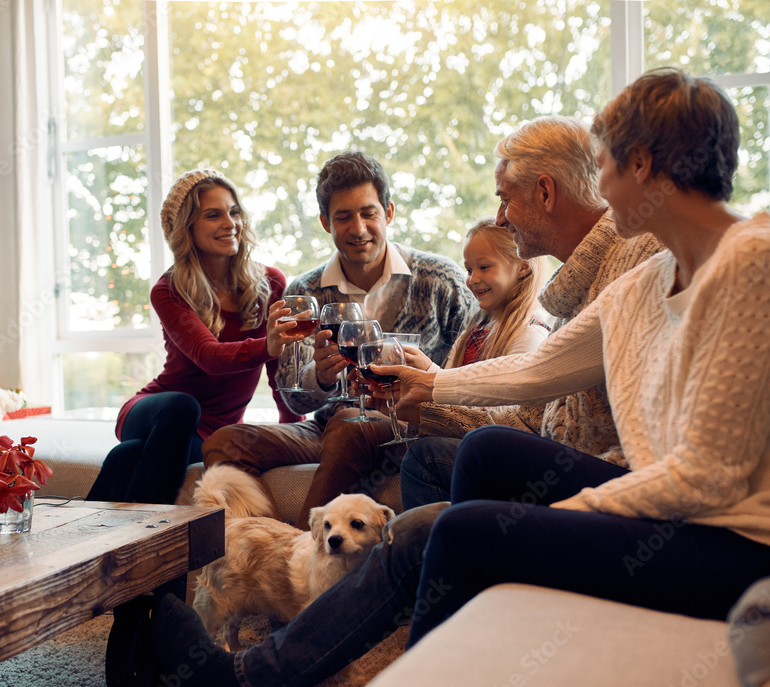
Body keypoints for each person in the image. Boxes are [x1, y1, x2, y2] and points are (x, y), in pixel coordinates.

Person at [151, 68, 770, 687]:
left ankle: (252, 679)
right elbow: (540, 368)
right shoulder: (643, 281)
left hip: (732, 545)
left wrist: (560, 516)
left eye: (604, 165)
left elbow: (707, 477)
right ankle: (468, 654)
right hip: (674, 510)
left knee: (454, 529)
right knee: (485, 451)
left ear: (640, 164)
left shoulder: (751, 261)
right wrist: (432, 384)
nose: (600, 188)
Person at [400, 114, 664, 510]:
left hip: (619, 481)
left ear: (545, 192)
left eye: (505, 199)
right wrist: (428, 409)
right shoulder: (575, 290)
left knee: (475, 460)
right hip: (568, 468)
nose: (502, 218)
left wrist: (433, 384)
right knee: (429, 458)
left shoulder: (640, 257)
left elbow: (541, 370)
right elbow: (530, 420)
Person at [202, 151, 476, 526]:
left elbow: (473, 369)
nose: (358, 228)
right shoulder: (306, 291)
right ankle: (268, 536)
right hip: (328, 426)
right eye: (343, 217)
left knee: (352, 421)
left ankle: (300, 550)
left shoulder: (439, 279)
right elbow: (293, 396)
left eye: (368, 213)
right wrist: (322, 377)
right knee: (223, 442)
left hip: (408, 426)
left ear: (389, 213)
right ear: (325, 223)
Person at [300, 217, 550, 517]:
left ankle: (313, 540)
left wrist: (431, 374)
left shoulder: (530, 334)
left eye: (484, 267)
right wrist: (402, 390)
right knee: (351, 420)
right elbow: (448, 391)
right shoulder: (477, 326)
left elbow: (505, 418)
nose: (471, 279)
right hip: (450, 433)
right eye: (469, 269)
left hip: (477, 441)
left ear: (523, 265)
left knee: (371, 432)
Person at [86, 168, 304, 507]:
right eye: (213, 215)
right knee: (182, 406)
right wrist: (267, 344)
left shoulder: (270, 283)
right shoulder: (169, 290)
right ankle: (155, 533)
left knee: (128, 456)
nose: (230, 223)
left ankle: (92, 529)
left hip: (212, 432)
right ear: (187, 228)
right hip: (155, 412)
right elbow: (208, 356)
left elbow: (279, 370)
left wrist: (293, 429)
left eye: (233, 212)